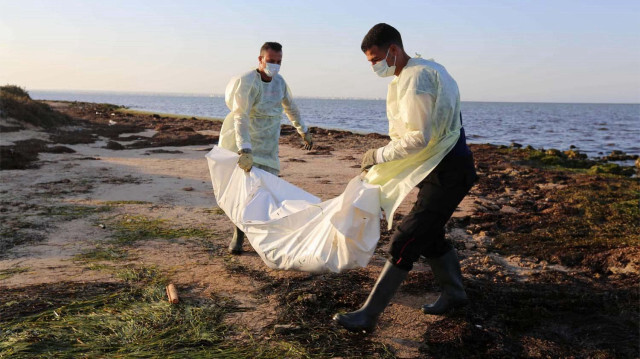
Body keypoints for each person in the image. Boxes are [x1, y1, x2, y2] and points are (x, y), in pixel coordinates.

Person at [333, 23, 478, 333]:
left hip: (450, 172)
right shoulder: (426, 68)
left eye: (375, 58)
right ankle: (454, 293)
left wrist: (378, 155)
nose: (373, 66)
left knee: (406, 238)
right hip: (442, 168)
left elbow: (419, 137)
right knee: (430, 233)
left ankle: (368, 315)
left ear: (393, 50)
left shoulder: (415, 78)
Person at [218, 41, 313, 255]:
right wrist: (245, 149)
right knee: (245, 192)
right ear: (260, 59)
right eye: (271, 61)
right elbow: (240, 116)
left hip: (269, 142)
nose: (275, 65)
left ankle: (263, 235)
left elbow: (290, 107)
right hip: (246, 140)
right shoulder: (247, 82)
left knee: (266, 190)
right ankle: (239, 234)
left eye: (279, 62)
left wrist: (303, 131)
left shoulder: (279, 83)